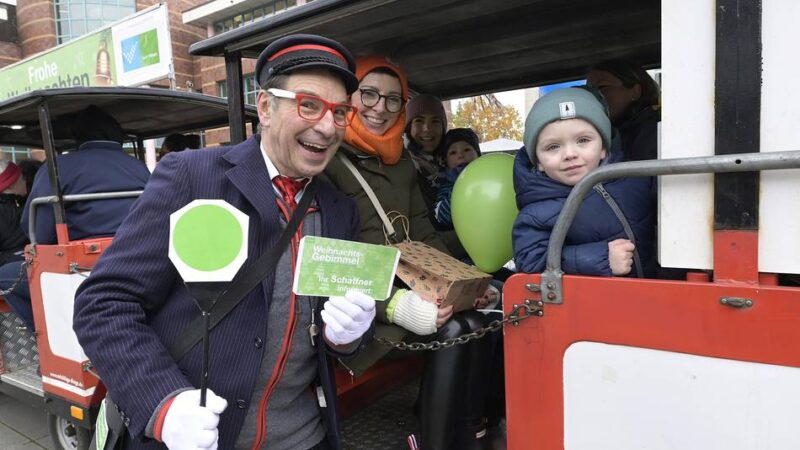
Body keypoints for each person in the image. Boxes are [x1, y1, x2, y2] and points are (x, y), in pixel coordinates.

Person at [73, 34, 373, 450]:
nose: (326, 126)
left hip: (304, 438)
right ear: (265, 107)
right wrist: (164, 404)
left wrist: (347, 338)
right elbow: (103, 304)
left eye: (340, 112)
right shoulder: (192, 177)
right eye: (309, 105)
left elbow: (326, 336)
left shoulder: (340, 210)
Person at [320, 55, 498, 450]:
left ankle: (472, 432)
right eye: (369, 94)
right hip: (359, 314)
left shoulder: (401, 163)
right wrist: (396, 307)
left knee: (477, 319)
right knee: (454, 329)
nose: (380, 108)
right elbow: (331, 260)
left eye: (392, 99)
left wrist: (462, 282)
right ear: (350, 97)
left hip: (413, 289)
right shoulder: (329, 159)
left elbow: (422, 232)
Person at [0, 106, 150, 331]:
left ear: (78, 136)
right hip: (136, 255)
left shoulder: (58, 167)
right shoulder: (140, 168)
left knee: (4, 276)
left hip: (80, 263)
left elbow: (38, 234)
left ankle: (44, 335)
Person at [513, 88, 656, 277]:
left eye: (583, 140)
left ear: (603, 147)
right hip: (600, 296)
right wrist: (602, 258)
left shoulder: (638, 180)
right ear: (538, 161)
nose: (570, 154)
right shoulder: (536, 214)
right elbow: (531, 261)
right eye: (553, 147)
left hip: (663, 290)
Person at [585, 59, 661, 162]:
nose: (593, 96)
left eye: (601, 87)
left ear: (635, 92)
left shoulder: (652, 131)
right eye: (589, 90)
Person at [404, 94, 448, 211]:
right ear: (409, 128)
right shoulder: (401, 167)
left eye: (435, 121)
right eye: (419, 121)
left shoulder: (453, 163)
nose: (427, 128)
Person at [433, 128, 481, 227]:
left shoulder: (488, 179)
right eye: (453, 152)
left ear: (478, 154)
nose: (460, 155)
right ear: (446, 161)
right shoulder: (447, 186)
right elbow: (441, 217)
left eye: (466, 150)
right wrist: (462, 184)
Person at [0, 160, 27, 265]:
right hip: (13, 264)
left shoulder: (22, 202)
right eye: (22, 178)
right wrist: (27, 261)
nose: (25, 180)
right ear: (10, 185)